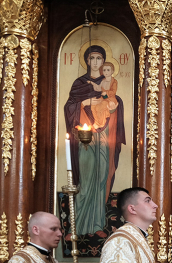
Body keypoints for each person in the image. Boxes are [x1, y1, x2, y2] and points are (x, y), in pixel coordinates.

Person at [64, 45, 125, 235]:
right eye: (92, 58)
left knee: (102, 176)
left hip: (104, 136)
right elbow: (69, 107)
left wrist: (112, 105)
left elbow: (115, 103)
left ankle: (97, 225)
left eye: (99, 58)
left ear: (104, 62)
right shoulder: (79, 83)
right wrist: (85, 102)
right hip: (85, 138)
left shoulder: (108, 83)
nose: (96, 62)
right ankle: (78, 226)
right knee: (86, 176)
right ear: (87, 61)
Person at [86, 62, 118, 130]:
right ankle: (96, 122)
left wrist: (106, 93)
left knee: (101, 106)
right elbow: (98, 88)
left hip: (110, 99)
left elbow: (113, 92)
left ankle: (101, 123)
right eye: (104, 70)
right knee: (93, 106)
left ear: (112, 71)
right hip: (103, 98)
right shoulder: (103, 81)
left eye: (108, 70)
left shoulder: (114, 81)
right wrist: (92, 83)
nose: (106, 72)